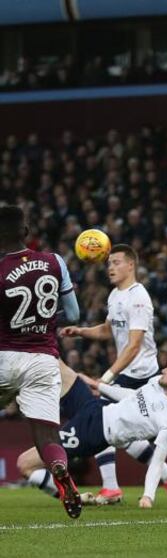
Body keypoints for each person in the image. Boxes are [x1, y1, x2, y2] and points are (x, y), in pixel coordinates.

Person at [17, 353, 167, 508]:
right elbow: (132, 396)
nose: (163, 370)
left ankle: (72, 497)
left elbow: (158, 460)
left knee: (25, 464)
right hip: (96, 407)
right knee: (51, 360)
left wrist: (148, 496)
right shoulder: (158, 382)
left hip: (93, 432)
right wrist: (98, 386)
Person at [60, 244, 164, 505]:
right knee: (109, 426)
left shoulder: (138, 297)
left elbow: (134, 345)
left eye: (117, 262)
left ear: (131, 265)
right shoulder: (116, 296)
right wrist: (81, 331)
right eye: (109, 263)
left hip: (140, 376)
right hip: (127, 373)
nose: (111, 267)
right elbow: (108, 330)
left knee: (102, 422)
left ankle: (114, 486)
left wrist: (105, 378)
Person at [0, 205, 82, 518]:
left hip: (5, 357)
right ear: (26, 231)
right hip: (44, 361)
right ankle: (60, 468)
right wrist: (44, 319)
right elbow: (73, 315)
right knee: (47, 436)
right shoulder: (54, 261)